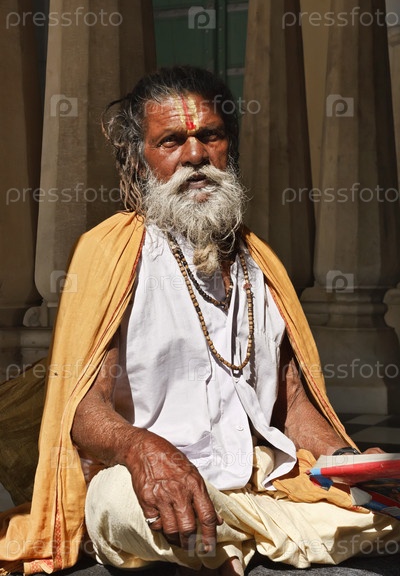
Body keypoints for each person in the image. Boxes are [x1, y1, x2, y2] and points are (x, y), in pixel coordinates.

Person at [0, 66, 399, 576]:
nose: (195, 156)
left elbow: (293, 405)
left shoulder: (261, 263)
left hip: (255, 479)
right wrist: (142, 450)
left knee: (378, 510)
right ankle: (252, 535)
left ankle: (230, 537)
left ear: (229, 146)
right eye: (171, 141)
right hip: (142, 478)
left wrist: (348, 460)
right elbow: (82, 408)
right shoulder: (111, 252)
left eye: (210, 136)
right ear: (138, 158)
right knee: (120, 506)